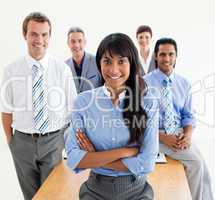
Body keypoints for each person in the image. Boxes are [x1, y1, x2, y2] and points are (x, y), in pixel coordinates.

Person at [65, 33, 159, 200]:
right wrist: (125, 151)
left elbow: (147, 162)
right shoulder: (83, 102)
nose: (114, 69)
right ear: (99, 64)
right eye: (107, 61)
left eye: (121, 61)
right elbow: (73, 158)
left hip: (137, 191)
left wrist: (94, 158)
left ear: (132, 63)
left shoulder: (148, 102)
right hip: (95, 191)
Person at [0, 12, 77, 200]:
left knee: (53, 195)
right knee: (31, 196)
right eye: (34, 34)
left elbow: (74, 109)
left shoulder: (62, 69)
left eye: (44, 35)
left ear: (50, 37)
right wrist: (13, 143)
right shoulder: (11, 71)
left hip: (53, 141)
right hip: (22, 143)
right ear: (25, 35)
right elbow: (6, 110)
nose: (39, 40)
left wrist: (64, 140)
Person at [143, 38, 214, 200]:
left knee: (206, 174)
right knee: (196, 164)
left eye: (170, 54)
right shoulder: (144, 83)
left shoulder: (184, 84)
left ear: (176, 56)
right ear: (155, 56)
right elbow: (141, 120)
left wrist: (188, 135)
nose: (166, 59)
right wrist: (163, 137)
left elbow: (188, 116)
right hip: (155, 134)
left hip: (178, 134)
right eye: (162, 54)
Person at [65, 27, 101, 93]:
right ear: (68, 43)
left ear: (84, 42)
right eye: (73, 41)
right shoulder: (65, 66)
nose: (76, 45)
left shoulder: (97, 61)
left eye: (80, 41)